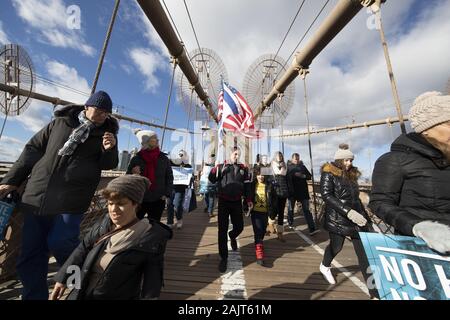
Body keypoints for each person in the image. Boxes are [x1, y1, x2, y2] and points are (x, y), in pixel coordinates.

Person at [0, 91, 118, 300]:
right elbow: (32, 149)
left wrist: (109, 150)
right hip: (38, 196)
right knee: (31, 254)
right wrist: (11, 180)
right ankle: (34, 296)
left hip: (72, 200)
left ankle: (78, 287)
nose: (103, 116)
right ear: (86, 108)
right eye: (99, 110)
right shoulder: (60, 123)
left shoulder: (106, 134)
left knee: (61, 243)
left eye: (106, 113)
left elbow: (108, 165)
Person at [50, 175, 172, 300]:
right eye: (110, 203)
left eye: (121, 204)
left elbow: (152, 281)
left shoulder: (151, 237)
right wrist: (64, 279)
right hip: (81, 294)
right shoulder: (104, 225)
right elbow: (82, 250)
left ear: (136, 204)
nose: (114, 209)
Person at [369, 91, 450, 254]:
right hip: (420, 251)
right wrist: (418, 227)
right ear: (427, 128)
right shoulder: (394, 160)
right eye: (448, 124)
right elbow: (379, 202)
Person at [319, 144, 374, 289]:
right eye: (346, 160)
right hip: (338, 218)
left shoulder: (351, 175)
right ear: (339, 160)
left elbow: (355, 199)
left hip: (356, 219)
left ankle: (374, 291)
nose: (349, 163)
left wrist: (365, 217)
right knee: (336, 247)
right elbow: (326, 195)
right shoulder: (329, 173)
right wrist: (348, 211)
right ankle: (325, 265)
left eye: (351, 160)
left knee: (363, 253)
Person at [208, 147, 253, 273]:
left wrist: (249, 199)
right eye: (235, 154)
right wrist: (214, 169)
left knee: (239, 227)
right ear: (230, 155)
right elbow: (211, 179)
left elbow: (248, 186)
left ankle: (232, 236)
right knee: (222, 230)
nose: (236, 156)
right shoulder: (222, 166)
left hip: (237, 202)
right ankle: (223, 257)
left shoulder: (244, 169)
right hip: (223, 201)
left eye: (238, 154)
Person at [127, 129, 173, 222]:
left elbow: (169, 177)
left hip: (158, 198)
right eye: (154, 138)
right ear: (146, 142)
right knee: (135, 223)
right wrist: (133, 173)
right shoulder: (136, 159)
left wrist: (166, 194)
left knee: (155, 224)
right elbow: (127, 178)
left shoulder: (164, 158)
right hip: (140, 198)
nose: (157, 140)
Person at [248, 166, 277, 266]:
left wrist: (272, 216)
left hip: (265, 213)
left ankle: (259, 244)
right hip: (255, 212)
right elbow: (247, 197)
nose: (261, 177)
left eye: (262, 175)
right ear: (256, 175)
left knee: (262, 232)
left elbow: (274, 200)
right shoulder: (252, 185)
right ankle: (259, 255)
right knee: (258, 232)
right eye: (259, 175)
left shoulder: (269, 186)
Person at [287, 153, 318, 235]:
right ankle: (290, 222)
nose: (296, 160)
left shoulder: (302, 167)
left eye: (297, 159)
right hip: (292, 192)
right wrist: (293, 175)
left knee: (307, 210)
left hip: (303, 191)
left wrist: (302, 176)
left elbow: (309, 176)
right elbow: (286, 178)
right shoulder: (288, 168)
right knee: (290, 209)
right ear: (292, 159)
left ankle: (312, 228)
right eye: (295, 159)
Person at [167, 150, 192, 229]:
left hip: (180, 189)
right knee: (169, 205)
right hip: (170, 188)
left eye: (182, 155)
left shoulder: (188, 166)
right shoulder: (171, 163)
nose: (180, 156)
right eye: (179, 154)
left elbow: (190, 176)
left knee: (177, 205)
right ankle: (169, 222)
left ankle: (179, 219)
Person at [269, 151, 289, 242]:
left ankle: (280, 233)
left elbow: (288, 179)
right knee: (274, 209)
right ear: (275, 157)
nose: (280, 157)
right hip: (274, 191)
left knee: (281, 212)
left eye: (281, 155)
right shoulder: (271, 165)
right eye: (278, 155)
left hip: (284, 191)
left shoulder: (285, 165)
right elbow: (268, 178)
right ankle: (271, 221)